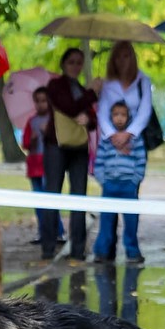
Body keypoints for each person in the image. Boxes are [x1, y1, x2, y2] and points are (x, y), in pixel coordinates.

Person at [41, 47, 102, 262]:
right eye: (72, 62)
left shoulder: (80, 88)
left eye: (79, 62)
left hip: (79, 148)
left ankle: (78, 248)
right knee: (52, 194)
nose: (76, 66)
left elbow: (92, 118)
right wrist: (92, 93)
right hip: (56, 146)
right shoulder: (55, 85)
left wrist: (89, 119)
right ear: (63, 65)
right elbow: (69, 106)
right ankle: (48, 246)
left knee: (79, 197)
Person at [92, 101, 147, 264]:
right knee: (106, 222)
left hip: (128, 187)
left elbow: (141, 160)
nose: (120, 118)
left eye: (123, 114)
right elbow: (99, 162)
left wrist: (135, 180)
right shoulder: (106, 140)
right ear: (111, 117)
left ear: (129, 117)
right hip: (109, 186)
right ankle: (101, 252)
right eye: (116, 114)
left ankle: (132, 252)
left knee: (131, 222)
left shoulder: (135, 139)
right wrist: (103, 180)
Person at [22, 86, 64, 245]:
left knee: (51, 200)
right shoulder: (31, 122)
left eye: (44, 101)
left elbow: (60, 141)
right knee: (39, 200)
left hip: (49, 164)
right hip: (34, 165)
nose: (41, 104)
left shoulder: (54, 121)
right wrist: (31, 139)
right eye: (37, 101)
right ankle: (42, 232)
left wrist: (49, 133)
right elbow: (25, 144)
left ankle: (58, 231)